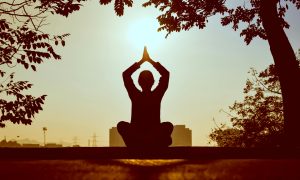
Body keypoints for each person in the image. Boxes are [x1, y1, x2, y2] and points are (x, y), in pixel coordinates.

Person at [117, 47, 173, 147]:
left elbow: (126, 75)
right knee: (168, 126)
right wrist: (149, 61)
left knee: (121, 125)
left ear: (138, 82)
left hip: (140, 135)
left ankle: (139, 143)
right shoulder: (156, 95)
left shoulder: (135, 94)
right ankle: (151, 142)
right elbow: (165, 74)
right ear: (153, 82)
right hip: (150, 134)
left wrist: (142, 61)